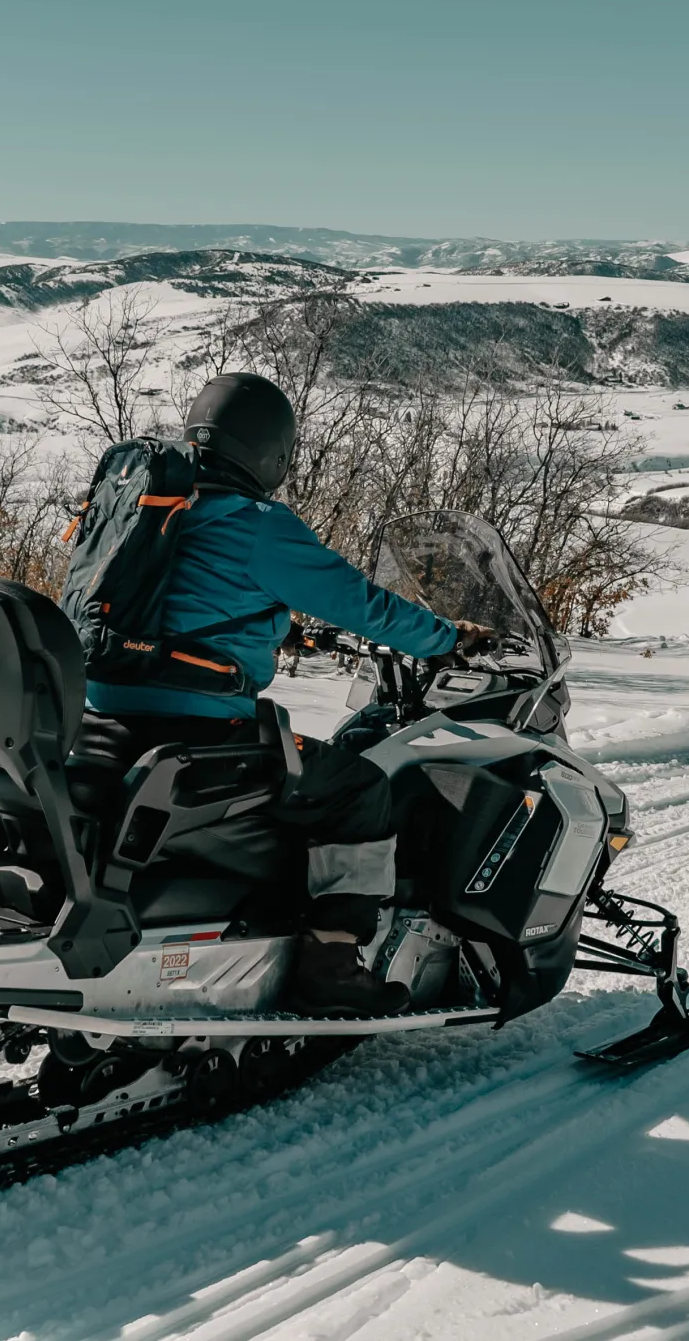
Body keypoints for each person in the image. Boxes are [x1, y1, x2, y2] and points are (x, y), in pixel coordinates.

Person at [70, 373, 494, 1016]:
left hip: (109, 716)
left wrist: (279, 627)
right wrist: (442, 639)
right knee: (358, 788)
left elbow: (176, 602)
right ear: (273, 453)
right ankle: (332, 958)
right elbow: (364, 604)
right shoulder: (257, 524)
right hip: (203, 729)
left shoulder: (148, 508)